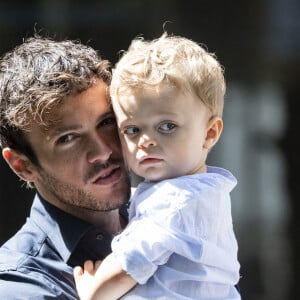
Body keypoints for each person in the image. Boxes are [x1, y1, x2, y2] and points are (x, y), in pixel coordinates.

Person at [74, 33, 241, 300]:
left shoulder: (176, 201)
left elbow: (126, 267)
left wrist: (92, 292)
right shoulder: (202, 191)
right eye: (132, 129)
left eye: (167, 127)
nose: (146, 141)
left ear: (210, 133)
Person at [0, 36, 131, 299]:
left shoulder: (167, 213)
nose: (103, 151)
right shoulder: (19, 285)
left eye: (106, 122)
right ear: (22, 165)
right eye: (68, 139)